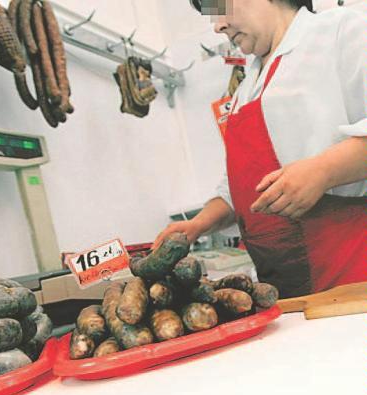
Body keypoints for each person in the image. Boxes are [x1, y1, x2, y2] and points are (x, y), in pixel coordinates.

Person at [153, 0, 367, 298]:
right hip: (284, 290)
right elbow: (239, 188)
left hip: (353, 273)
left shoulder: (340, 31)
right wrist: (200, 224)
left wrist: (323, 171)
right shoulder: (245, 89)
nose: (218, 25)